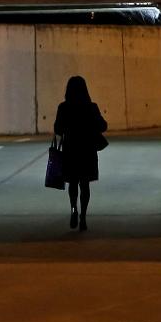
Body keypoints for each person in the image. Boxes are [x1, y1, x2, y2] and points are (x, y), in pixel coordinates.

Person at [54, 76, 108, 231]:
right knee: (84, 184)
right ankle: (83, 217)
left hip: (70, 150)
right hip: (87, 151)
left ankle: (73, 210)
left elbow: (58, 129)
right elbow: (103, 126)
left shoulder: (63, 107)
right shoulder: (91, 107)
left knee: (72, 183)